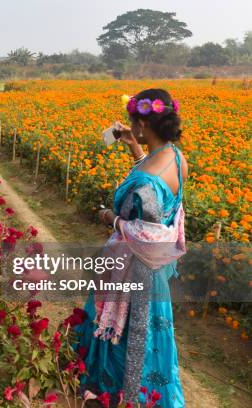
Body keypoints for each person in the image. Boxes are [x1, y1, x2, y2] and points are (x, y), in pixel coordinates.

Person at [75, 89, 188, 407]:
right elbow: (159, 199)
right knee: (151, 333)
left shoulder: (145, 182)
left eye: (131, 123)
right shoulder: (176, 158)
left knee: (128, 334)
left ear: (141, 123)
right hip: (153, 270)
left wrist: (112, 219)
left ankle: (121, 394)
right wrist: (134, 145)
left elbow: (142, 227)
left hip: (132, 272)